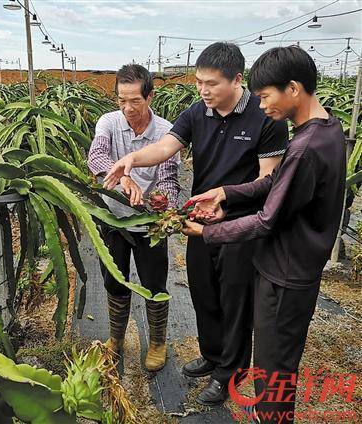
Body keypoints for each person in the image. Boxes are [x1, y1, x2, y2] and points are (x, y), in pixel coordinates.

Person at [103, 43, 288, 405]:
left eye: (211, 84)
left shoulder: (265, 119)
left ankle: (229, 373)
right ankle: (212, 353)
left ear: (237, 79)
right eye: (199, 82)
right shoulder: (197, 111)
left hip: (240, 222)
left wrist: (225, 194)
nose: (203, 90)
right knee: (204, 290)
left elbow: (269, 180)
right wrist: (132, 160)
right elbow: (165, 147)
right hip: (201, 217)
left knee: (234, 299)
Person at [182, 46, 346, 423]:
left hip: (285, 274)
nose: (261, 105)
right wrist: (227, 193)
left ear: (292, 88)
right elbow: (275, 181)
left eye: (265, 96)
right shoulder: (326, 129)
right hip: (295, 267)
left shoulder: (306, 147)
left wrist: (208, 233)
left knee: (273, 370)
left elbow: (266, 220)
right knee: (277, 365)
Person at [88, 64, 180, 371]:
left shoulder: (166, 132)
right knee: (115, 280)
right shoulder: (109, 123)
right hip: (112, 217)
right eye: (121, 100)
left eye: (135, 101)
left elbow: (168, 179)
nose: (127, 108)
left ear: (150, 96)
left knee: (155, 283)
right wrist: (123, 177)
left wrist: (163, 203)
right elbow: (97, 156)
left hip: (149, 223)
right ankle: (116, 339)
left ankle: (157, 342)